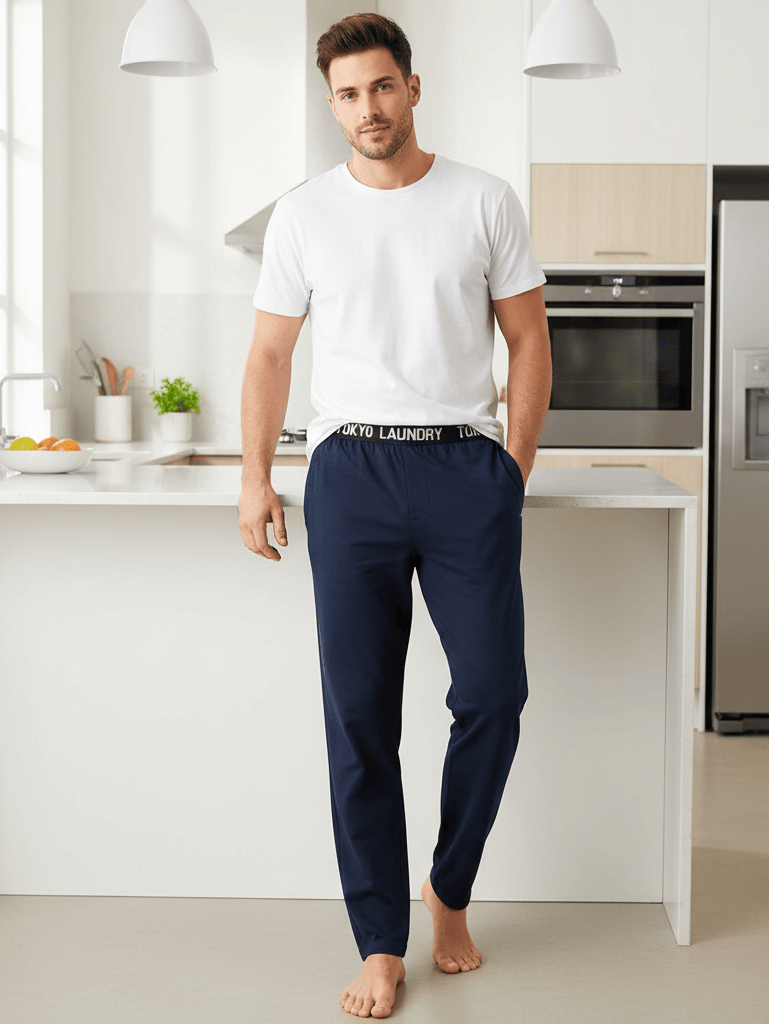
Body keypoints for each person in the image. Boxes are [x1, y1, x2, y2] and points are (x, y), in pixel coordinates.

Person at [237, 13, 551, 1020]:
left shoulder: (484, 200)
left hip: (464, 468)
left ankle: (447, 892)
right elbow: (270, 357)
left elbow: (530, 342)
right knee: (360, 720)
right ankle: (380, 940)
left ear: (413, 88)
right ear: (329, 103)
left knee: (494, 694)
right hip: (351, 474)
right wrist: (254, 476)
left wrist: (510, 468)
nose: (366, 109)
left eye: (380, 87)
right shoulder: (303, 215)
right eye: (346, 94)